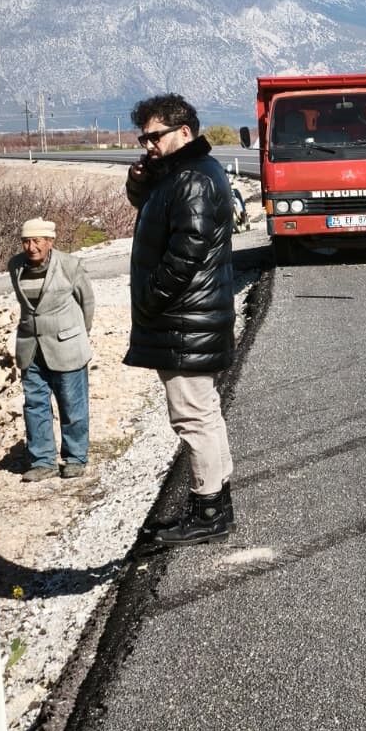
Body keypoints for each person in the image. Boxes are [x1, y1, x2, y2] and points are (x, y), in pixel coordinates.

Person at [125, 94, 237, 545]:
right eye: (144, 137)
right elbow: (146, 206)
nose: (148, 144)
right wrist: (144, 178)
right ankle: (215, 502)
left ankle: (207, 510)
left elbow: (185, 254)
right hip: (191, 317)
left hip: (185, 319)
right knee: (203, 412)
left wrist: (150, 302)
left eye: (156, 136)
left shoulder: (191, 179)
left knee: (192, 416)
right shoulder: (179, 173)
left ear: (184, 132)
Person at [8, 217, 95, 482]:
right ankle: (42, 460)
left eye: (37, 241)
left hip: (66, 346)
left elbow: (87, 303)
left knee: (72, 404)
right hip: (30, 346)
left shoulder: (70, 265)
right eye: (26, 241)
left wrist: (77, 334)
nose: (31, 247)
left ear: (49, 242)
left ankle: (75, 457)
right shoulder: (15, 266)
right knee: (34, 405)